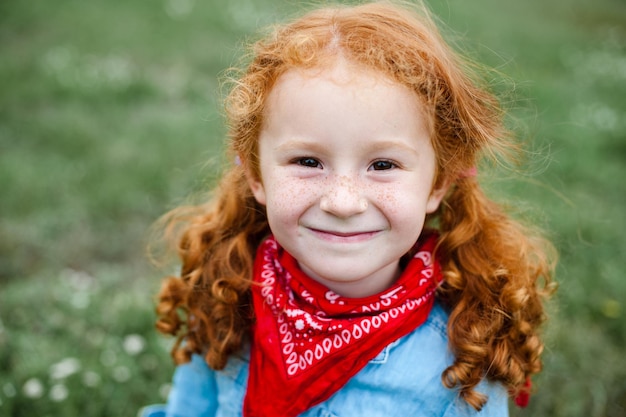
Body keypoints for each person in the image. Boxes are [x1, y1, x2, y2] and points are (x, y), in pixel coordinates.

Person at [152, 2, 556, 416]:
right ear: (257, 177)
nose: (343, 203)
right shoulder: (225, 293)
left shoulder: (465, 351)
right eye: (308, 162)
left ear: (436, 184)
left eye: (383, 165)